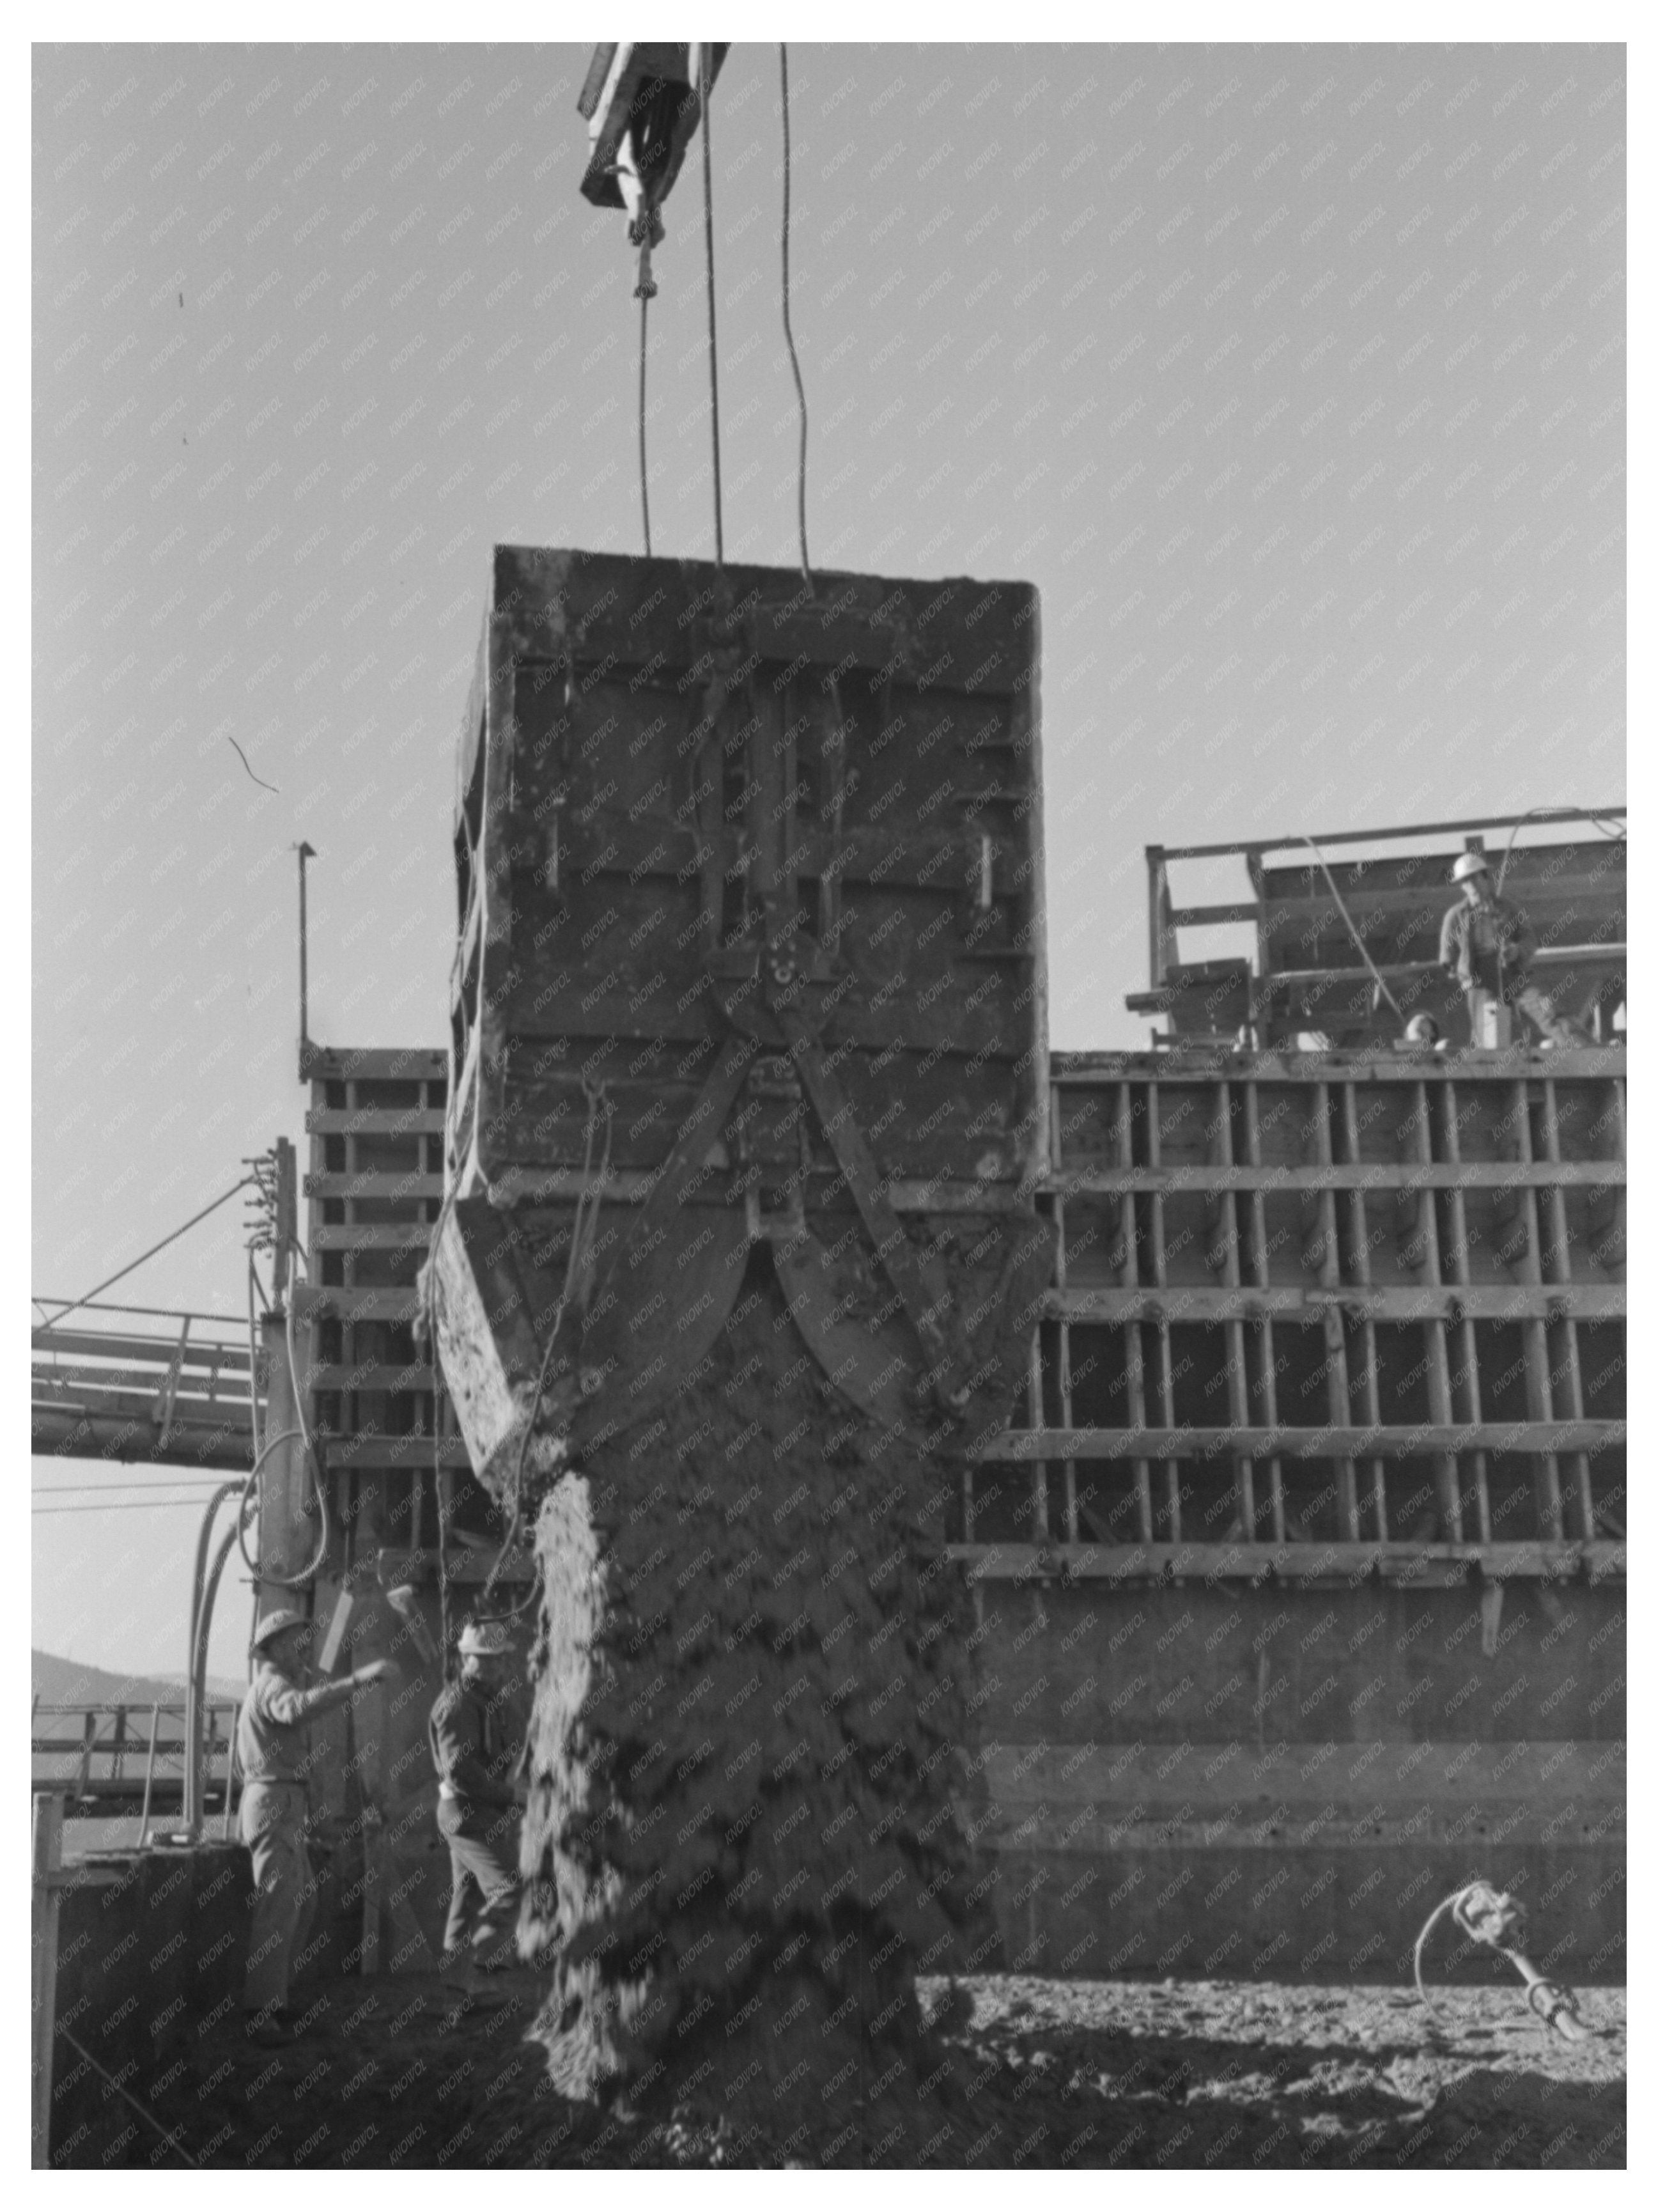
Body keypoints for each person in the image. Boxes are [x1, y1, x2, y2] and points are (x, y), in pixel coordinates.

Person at [236, 1608, 397, 2041]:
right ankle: (261, 2013)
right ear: (273, 1648)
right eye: (295, 1642)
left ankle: (276, 2000)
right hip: (275, 1802)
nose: (303, 1650)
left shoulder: (268, 1686)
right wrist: (358, 1680)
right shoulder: (273, 1686)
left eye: (305, 1642)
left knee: (301, 1903)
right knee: (278, 1906)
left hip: (281, 1801)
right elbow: (296, 1710)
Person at [429, 1619, 526, 1980]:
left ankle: (456, 1990)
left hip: (479, 1811)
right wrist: (512, 1794)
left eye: (499, 1658)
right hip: (467, 1813)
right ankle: (482, 1972)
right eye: (485, 1659)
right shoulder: (458, 1704)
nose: (495, 1665)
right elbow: (461, 1771)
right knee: (510, 1890)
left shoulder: (488, 1701)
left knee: (467, 1899)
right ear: (465, 1659)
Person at [1437, 851, 1591, 1047]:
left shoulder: (1510, 908)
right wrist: (1458, 972)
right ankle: (1498, 1066)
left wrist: (1516, 950)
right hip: (1480, 981)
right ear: (1461, 886)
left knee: (1548, 1010)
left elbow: (1529, 940)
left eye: (1474, 878)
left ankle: (1584, 1050)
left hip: (1515, 972)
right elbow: (1447, 955)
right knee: (1491, 1034)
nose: (1471, 885)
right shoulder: (1455, 916)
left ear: (1485, 877)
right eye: (1465, 881)